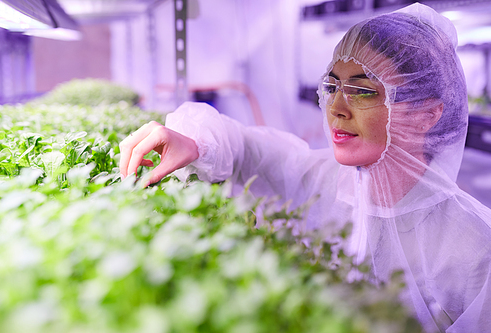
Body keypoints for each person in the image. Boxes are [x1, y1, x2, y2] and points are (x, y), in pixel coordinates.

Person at [119, 3, 491, 332]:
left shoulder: (476, 249)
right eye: (332, 85)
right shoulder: (325, 181)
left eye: (363, 91)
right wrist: (195, 141)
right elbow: (249, 149)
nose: (336, 108)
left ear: (428, 113)